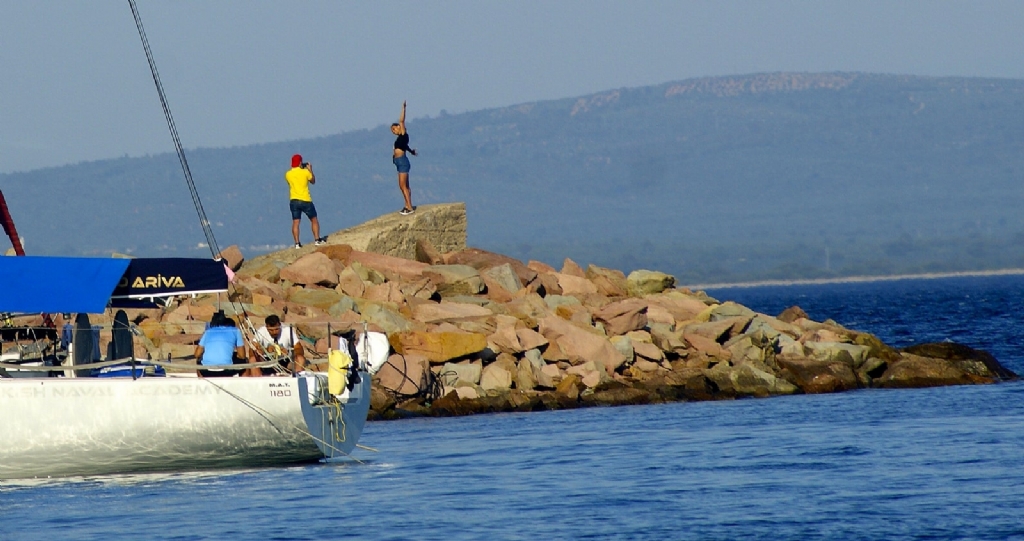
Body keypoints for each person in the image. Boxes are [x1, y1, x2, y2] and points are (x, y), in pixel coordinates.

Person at [285, 153, 327, 248]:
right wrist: (310, 169)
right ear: (300, 163)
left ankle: (297, 243)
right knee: (314, 220)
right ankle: (317, 240)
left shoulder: (288, 174)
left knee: (296, 222)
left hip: (294, 200)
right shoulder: (305, 172)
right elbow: (313, 181)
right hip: (305, 199)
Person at [391, 101, 418, 215]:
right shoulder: (401, 139)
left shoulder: (403, 133)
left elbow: (401, 120)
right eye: (392, 130)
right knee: (403, 186)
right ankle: (407, 205)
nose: (394, 131)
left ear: (399, 127)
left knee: (403, 185)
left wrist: (403, 108)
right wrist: (411, 151)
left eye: (394, 128)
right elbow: (405, 146)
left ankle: (410, 207)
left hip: (402, 162)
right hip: (399, 162)